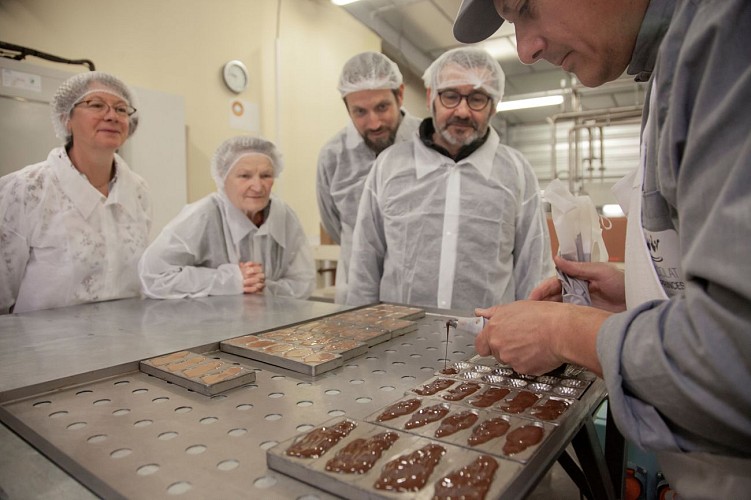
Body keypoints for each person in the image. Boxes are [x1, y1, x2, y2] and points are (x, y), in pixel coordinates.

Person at [453, 0, 751, 495]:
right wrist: (637, 296)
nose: (526, 49)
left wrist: (565, 330)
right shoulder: (667, 65)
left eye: (524, 7)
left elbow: (735, 359)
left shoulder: (728, 33)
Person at [346, 47, 553, 310]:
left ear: (494, 105)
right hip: (398, 336)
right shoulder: (389, 165)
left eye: (477, 98)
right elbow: (365, 263)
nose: (463, 112)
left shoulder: (516, 171)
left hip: (488, 340)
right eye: (451, 96)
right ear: (431, 96)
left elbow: (534, 270)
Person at [0, 71, 151, 315]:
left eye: (121, 109)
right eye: (97, 105)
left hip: (126, 344)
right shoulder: (25, 189)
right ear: (66, 118)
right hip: (41, 349)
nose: (112, 116)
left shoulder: (138, 191)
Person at [139, 136, 315, 300]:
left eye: (266, 176)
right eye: (244, 176)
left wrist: (262, 287)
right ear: (223, 179)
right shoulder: (203, 215)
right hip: (210, 327)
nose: (257, 186)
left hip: (274, 324)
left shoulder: (284, 216)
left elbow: (303, 280)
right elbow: (154, 275)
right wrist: (231, 280)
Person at [317, 52, 421, 303]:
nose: (374, 123)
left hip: (416, 289)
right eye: (360, 112)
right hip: (355, 290)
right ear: (347, 107)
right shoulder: (333, 156)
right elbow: (333, 222)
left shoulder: (428, 143)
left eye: (382, 107)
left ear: (400, 95)